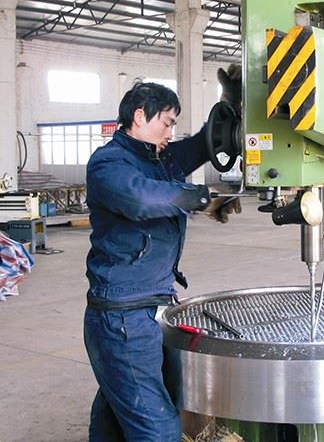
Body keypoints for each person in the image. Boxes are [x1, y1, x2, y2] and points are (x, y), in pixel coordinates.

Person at [83, 69, 241, 441]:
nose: (171, 132)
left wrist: (232, 102)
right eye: (167, 123)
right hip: (122, 315)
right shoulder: (109, 164)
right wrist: (201, 199)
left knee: (116, 413)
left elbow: (206, 143)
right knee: (158, 428)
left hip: (144, 305)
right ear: (140, 116)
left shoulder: (159, 160)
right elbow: (140, 198)